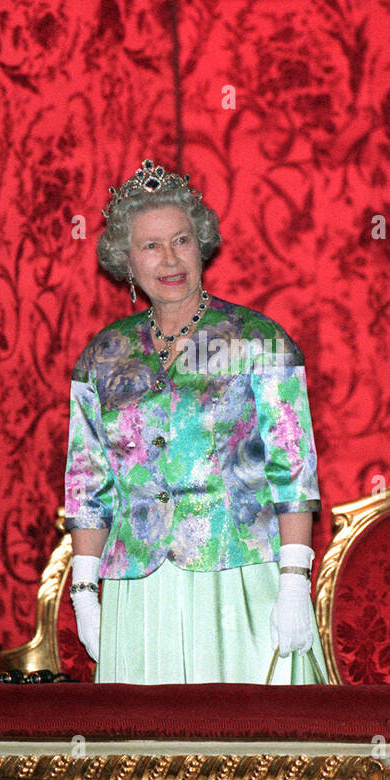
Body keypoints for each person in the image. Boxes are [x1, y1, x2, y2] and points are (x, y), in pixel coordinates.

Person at [65, 159, 326, 684]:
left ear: (201, 243)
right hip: (139, 583)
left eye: (181, 241)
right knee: (148, 749)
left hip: (239, 579)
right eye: (151, 246)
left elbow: (292, 470)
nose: (170, 260)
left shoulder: (259, 341)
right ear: (126, 261)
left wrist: (295, 578)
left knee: (244, 742)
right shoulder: (104, 355)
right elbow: (87, 482)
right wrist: (85, 589)